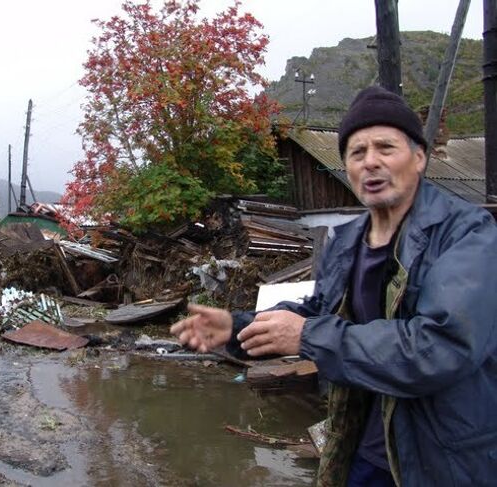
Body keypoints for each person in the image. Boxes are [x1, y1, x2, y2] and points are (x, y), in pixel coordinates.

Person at [170, 86, 497, 487]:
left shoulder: (466, 232)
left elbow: (440, 348)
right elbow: (322, 314)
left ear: (419, 157)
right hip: (362, 447)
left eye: (385, 148)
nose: (370, 162)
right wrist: (237, 327)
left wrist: (308, 335)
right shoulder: (348, 240)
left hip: (441, 458)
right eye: (356, 153)